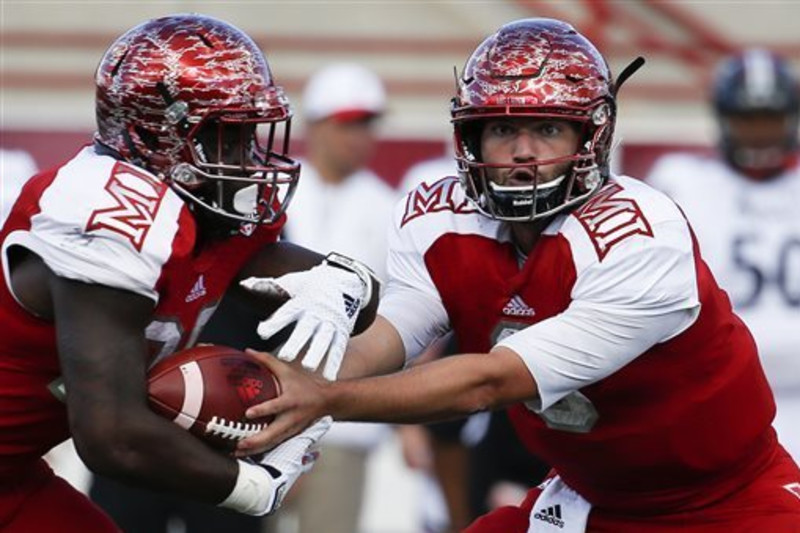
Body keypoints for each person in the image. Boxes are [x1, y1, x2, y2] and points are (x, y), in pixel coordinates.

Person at [236, 18, 800, 532]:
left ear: (590, 137)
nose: (524, 152)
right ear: (470, 136)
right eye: (502, 131)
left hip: (726, 501)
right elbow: (396, 331)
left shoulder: (638, 235)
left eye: (548, 128)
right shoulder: (438, 217)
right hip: (589, 499)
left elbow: (491, 382)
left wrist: (328, 398)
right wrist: (298, 381)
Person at [0, 14, 379, 532]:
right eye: (227, 137)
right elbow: (112, 437)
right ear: (158, 135)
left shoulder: (201, 218)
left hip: (14, 475)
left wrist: (348, 285)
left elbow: (308, 277)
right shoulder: (109, 212)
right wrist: (254, 486)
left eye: (248, 135)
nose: (247, 159)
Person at [647, 48, 800, 463]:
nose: (758, 133)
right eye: (747, 120)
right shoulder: (682, 181)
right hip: (723, 385)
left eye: (768, 119)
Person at [280, 61, 398, 533]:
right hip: (262, 401)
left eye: (367, 124)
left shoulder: (389, 207)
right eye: (347, 123)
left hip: (344, 417)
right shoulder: (277, 193)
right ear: (315, 126)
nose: (359, 136)